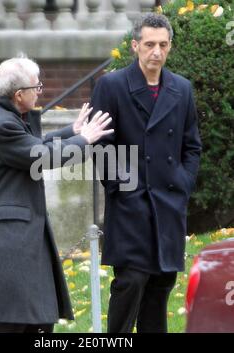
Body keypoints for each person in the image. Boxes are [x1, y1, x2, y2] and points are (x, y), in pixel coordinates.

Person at [0, 56, 113, 333]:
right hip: (10, 236)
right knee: (12, 319)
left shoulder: (4, 115)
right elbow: (41, 156)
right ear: (18, 95)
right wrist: (84, 139)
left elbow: (32, 146)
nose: (41, 91)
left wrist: (70, 132)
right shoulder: (2, 124)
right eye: (36, 87)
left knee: (35, 317)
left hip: (18, 231)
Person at [90, 13, 202, 333]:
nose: (157, 51)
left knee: (161, 284)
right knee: (131, 281)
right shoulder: (111, 86)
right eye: (150, 44)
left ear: (169, 47)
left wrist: (182, 183)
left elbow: (191, 145)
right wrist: (122, 188)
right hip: (129, 205)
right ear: (136, 45)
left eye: (163, 45)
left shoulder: (181, 88)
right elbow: (101, 145)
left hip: (168, 202)